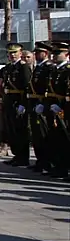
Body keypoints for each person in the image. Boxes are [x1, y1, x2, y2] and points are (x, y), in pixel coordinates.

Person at [0, 43, 31, 167]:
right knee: (11, 130)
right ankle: (16, 155)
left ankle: (23, 157)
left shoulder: (23, 67)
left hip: (18, 101)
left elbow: (27, 87)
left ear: (20, 53)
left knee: (20, 131)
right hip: (9, 101)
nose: (12, 55)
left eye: (14, 53)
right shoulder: (8, 68)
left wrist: (23, 104)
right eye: (10, 53)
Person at [44, 42, 69, 179]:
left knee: (64, 140)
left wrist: (62, 107)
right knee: (56, 139)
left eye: (58, 53)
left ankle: (64, 168)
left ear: (66, 54)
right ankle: (58, 166)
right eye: (54, 53)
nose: (54, 55)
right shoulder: (54, 70)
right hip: (53, 108)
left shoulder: (67, 70)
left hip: (63, 109)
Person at [28, 42, 52, 173]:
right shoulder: (38, 67)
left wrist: (44, 103)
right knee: (36, 135)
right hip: (34, 103)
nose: (36, 55)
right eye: (35, 53)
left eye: (38, 53)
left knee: (43, 135)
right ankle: (40, 161)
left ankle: (46, 162)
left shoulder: (48, 67)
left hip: (42, 103)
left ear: (46, 54)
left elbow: (48, 88)